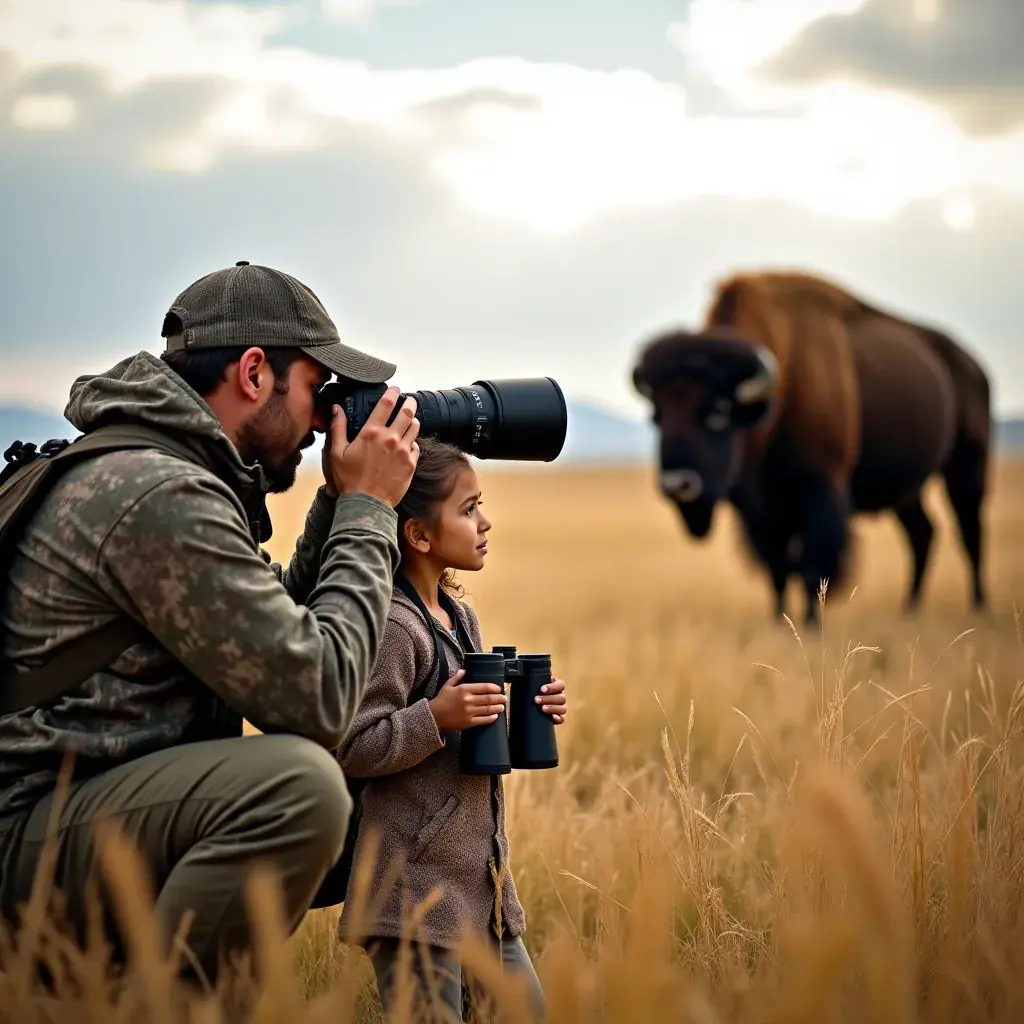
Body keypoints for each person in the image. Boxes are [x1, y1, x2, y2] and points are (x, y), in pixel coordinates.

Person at [0, 261, 421, 986]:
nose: (324, 423)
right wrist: (370, 509)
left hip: (65, 814)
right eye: (316, 391)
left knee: (353, 798)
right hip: (25, 839)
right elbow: (319, 696)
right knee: (301, 788)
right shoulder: (157, 491)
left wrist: (336, 502)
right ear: (255, 373)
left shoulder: (154, 466)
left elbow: (267, 639)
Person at [335, 437, 568, 1022]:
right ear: (417, 534)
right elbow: (351, 746)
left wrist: (526, 710)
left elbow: (464, 736)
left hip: (482, 891)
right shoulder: (394, 626)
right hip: (413, 895)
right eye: (468, 510)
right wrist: (434, 717)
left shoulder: (461, 618)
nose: (485, 522)